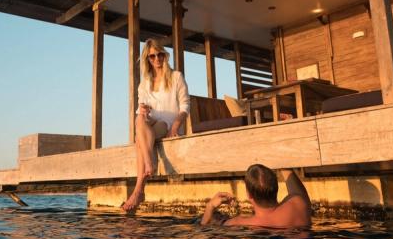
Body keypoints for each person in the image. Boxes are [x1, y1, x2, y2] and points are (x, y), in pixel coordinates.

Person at [122, 38, 190, 212]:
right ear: (148, 60)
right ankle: (148, 163)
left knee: (140, 140)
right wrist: (143, 110)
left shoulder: (176, 77)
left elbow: (184, 107)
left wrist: (175, 125)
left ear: (165, 56)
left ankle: (138, 189)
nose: (157, 59)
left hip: (167, 125)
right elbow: (141, 113)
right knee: (139, 119)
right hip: (150, 123)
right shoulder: (144, 84)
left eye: (160, 55)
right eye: (152, 57)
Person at [200, 164, 312, 228]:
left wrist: (210, 206)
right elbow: (291, 178)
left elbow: (205, 228)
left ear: (249, 196)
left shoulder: (238, 223)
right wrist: (280, 163)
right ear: (276, 187)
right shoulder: (299, 204)